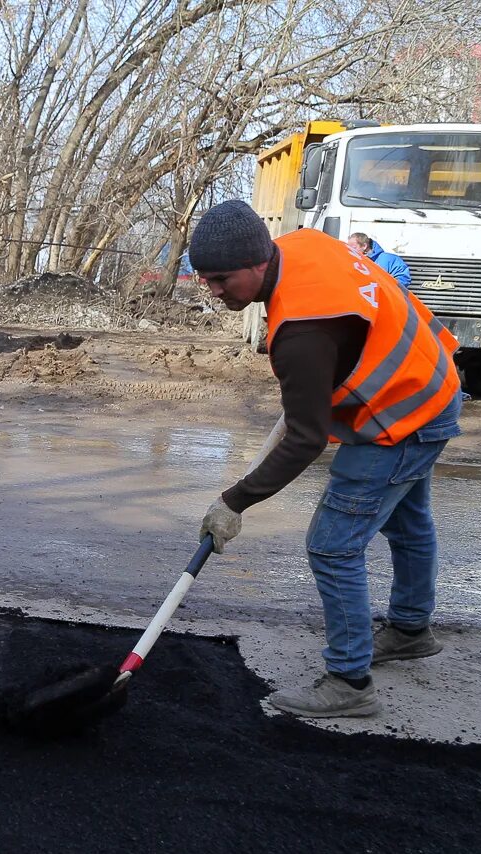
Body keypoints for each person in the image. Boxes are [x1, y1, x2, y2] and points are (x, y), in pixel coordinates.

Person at [190, 201, 461, 718]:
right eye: (206, 279)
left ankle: (349, 682)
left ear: (257, 262)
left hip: (400, 417)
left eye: (222, 279)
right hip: (432, 383)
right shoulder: (303, 245)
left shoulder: (303, 334)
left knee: (333, 547)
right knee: (408, 523)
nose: (214, 290)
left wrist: (235, 501)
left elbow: (305, 440)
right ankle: (409, 630)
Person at [348, 232, 412, 292]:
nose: (350, 251)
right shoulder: (355, 261)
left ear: (364, 246)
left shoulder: (387, 259)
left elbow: (402, 279)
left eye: (353, 248)